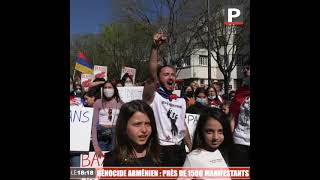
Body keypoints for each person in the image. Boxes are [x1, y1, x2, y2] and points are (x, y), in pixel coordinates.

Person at [143, 32, 192, 166]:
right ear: (159, 79)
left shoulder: (181, 100)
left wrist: (191, 147)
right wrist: (155, 48)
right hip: (161, 149)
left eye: (172, 75)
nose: (170, 77)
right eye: (166, 74)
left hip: (179, 148)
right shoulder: (153, 96)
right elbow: (152, 75)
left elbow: (183, 126)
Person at [180, 108, 233, 180]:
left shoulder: (226, 154)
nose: (215, 137)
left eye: (220, 131)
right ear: (201, 131)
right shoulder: (193, 158)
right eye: (209, 131)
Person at [103, 100, 160, 166]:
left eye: (148, 124)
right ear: (124, 126)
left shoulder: (163, 156)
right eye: (137, 124)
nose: (144, 130)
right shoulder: (111, 161)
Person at [91, 81, 124, 158]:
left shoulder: (121, 104)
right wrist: (95, 146)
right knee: (101, 161)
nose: (107, 89)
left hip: (115, 138)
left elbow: (123, 125)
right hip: (102, 137)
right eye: (105, 87)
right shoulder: (98, 103)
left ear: (114, 89)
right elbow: (94, 125)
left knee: (114, 161)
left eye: (109, 87)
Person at [229, 60, 250, 167]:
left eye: (249, 68)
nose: (245, 71)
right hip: (240, 140)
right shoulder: (240, 92)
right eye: (245, 68)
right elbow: (232, 117)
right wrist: (231, 137)